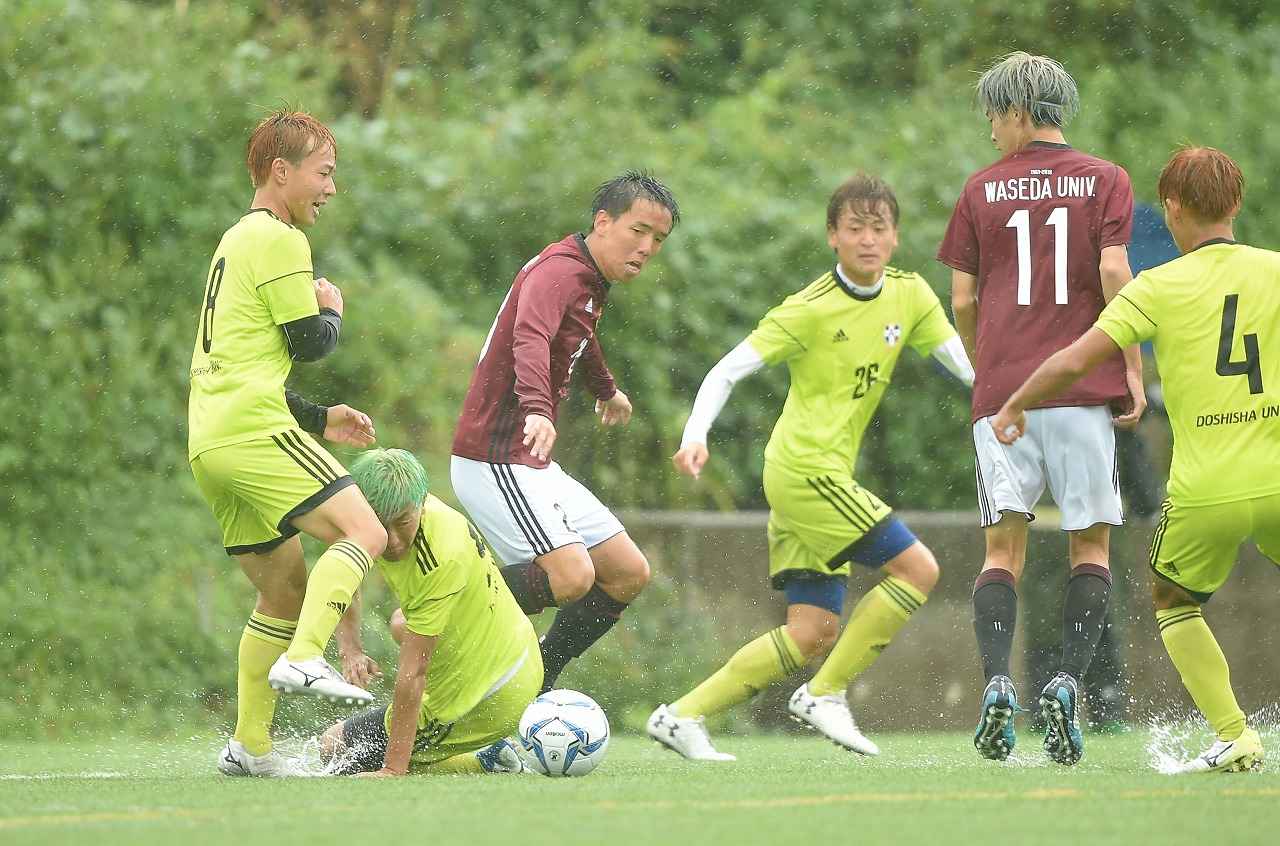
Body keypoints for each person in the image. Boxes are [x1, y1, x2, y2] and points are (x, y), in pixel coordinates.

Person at [649, 174, 974, 761]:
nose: (868, 240)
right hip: (805, 471)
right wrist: (695, 435)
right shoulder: (809, 308)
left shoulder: (912, 295)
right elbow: (726, 369)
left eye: (879, 228)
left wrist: (1014, 401)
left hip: (815, 478)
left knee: (812, 633)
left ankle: (681, 715)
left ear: (896, 237)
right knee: (919, 569)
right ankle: (826, 695)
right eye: (855, 228)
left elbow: (964, 365)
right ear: (833, 236)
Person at [991, 146, 1274, 774]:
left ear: (1172, 210)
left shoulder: (1158, 286)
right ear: (1236, 203)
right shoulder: (1276, 270)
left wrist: (1015, 404)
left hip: (1207, 489)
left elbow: (1073, 360)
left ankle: (1234, 733)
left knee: (1174, 601)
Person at [937, 52, 1146, 765]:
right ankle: (1066, 682)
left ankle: (998, 682)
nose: (992, 130)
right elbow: (1116, 275)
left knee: (1002, 552)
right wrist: (1131, 366)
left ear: (1019, 111)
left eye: (995, 115)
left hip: (1003, 401)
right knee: (1091, 547)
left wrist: (987, 361)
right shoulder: (1107, 179)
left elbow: (962, 300)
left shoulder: (979, 190)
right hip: (1082, 394)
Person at [187, 110, 389, 777]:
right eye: (323, 172)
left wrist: (314, 415)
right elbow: (310, 342)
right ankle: (306, 657)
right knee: (365, 528)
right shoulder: (278, 240)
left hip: (212, 440)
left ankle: (251, 747)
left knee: (282, 593)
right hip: (249, 428)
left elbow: (242, 358)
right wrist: (331, 306)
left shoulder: (235, 239)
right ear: (282, 172)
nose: (330, 188)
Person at [450, 171, 678, 692]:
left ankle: (534, 685)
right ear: (603, 222)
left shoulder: (586, 278)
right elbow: (531, 335)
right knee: (572, 577)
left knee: (625, 572)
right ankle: (440, 608)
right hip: (494, 458)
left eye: (657, 240)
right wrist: (537, 408)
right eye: (637, 231)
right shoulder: (559, 273)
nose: (646, 248)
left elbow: (579, 335)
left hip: (527, 459)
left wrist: (605, 389)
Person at [319, 449, 542, 776]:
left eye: (403, 524)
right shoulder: (365, 518)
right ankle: (478, 751)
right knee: (400, 622)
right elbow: (345, 576)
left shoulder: (439, 558)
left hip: (488, 696)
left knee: (333, 750)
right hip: (516, 652)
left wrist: (392, 770)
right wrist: (350, 649)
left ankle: (484, 758)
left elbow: (413, 675)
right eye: (382, 524)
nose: (393, 541)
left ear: (421, 503)